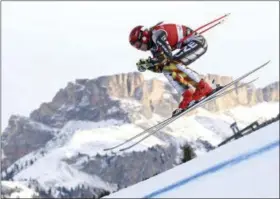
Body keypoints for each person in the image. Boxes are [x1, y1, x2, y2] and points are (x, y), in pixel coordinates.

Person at [129, 22, 214, 116]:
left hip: (198, 42)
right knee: (167, 69)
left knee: (173, 63)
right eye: (135, 47)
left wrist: (149, 62)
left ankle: (203, 87)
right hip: (191, 44)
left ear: (144, 37)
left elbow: (167, 56)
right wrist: (148, 66)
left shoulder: (157, 35)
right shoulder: (153, 47)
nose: (140, 49)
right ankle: (187, 95)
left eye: (138, 45)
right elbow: (161, 67)